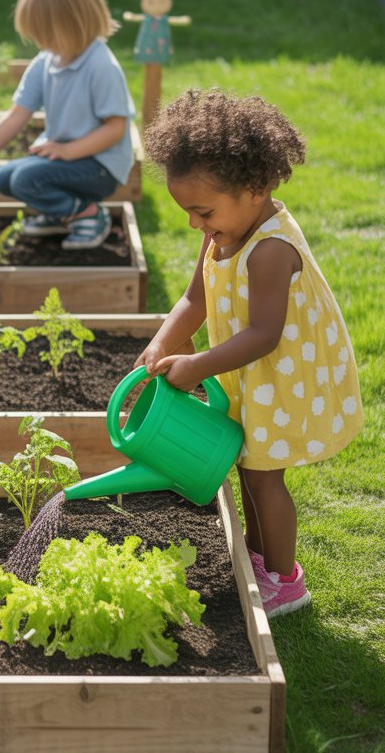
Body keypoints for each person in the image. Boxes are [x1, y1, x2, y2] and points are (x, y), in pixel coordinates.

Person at [137, 88, 363, 618]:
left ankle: (286, 580)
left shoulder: (269, 250)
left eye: (203, 211)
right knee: (246, 467)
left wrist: (195, 365)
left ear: (255, 188)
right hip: (250, 375)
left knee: (264, 476)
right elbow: (196, 296)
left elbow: (264, 333)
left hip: (279, 377)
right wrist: (162, 341)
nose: (196, 224)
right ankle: (261, 560)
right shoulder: (223, 232)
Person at [0, 0, 135, 250]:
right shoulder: (46, 61)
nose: (41, 43)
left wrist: (67, 150)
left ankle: (87, 214)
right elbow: (15, 116)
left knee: (25, 179)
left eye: (47, 35)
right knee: (5, 178)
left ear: (75, 23)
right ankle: (61, 212)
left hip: (100, 165)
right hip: (68, 159)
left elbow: (115, 129)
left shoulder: (101, 65)